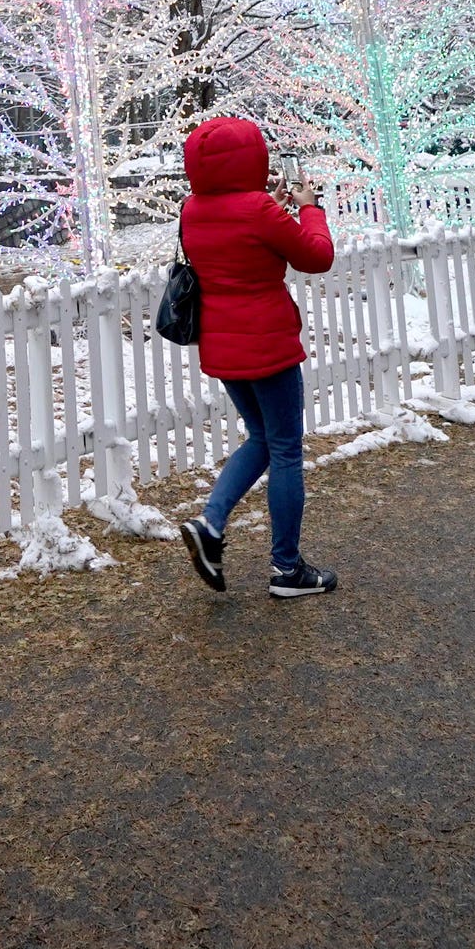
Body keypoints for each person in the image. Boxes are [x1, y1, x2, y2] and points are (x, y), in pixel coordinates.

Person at [174, 116, 340, 599]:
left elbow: (242, 233)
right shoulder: (259, 210)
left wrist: (273, 208)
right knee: (286, 447)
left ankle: (211, 523)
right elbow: (316, 256)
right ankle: (287, 570)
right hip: (267, 343)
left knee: (262, 437)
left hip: (223, 345)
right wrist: (309, 210)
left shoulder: (192, 209)